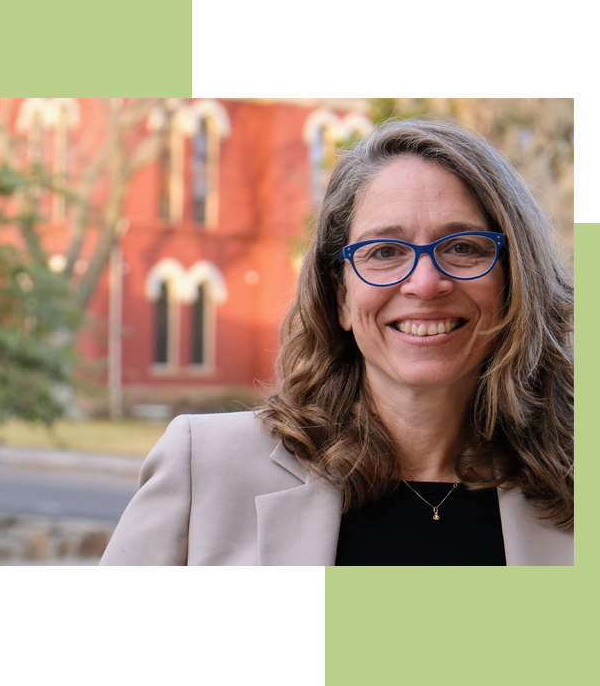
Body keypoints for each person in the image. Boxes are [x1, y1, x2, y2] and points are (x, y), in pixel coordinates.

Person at [100, 119, 573, 567]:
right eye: (385, 252)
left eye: (463, 247)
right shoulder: (204, 468)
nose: (425, 284)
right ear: (341, 296)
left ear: (516, 281)